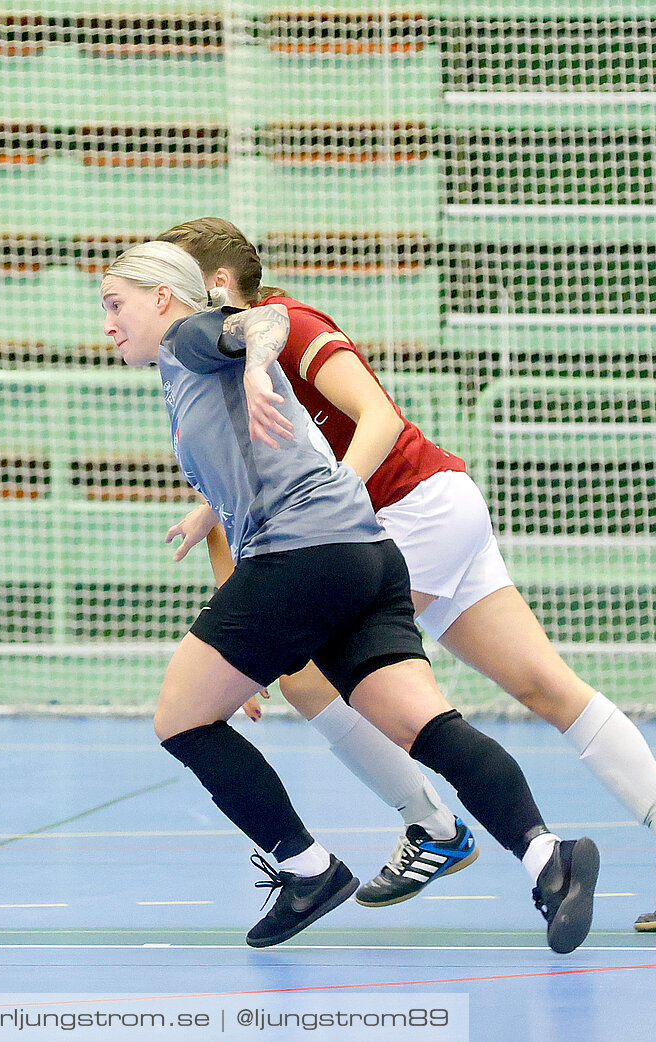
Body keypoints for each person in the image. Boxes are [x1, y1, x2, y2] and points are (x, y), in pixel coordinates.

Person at [159, 217, 656, 931]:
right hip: (421, 512)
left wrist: (332, 505)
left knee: (318, 680)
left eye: (172, 279)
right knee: (542, 684)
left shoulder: (291, 326)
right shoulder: (221, 358)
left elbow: (374, 415)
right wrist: (206, 512)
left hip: (409, 509)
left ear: (216, 285)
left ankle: (431, 827)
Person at [101, 239, 600, 952]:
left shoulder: (189, 335)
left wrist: (259, 361)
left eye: (115, 304)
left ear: (161, 296)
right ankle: (551, 859)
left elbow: (260, 324)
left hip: (303, 558)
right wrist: (209, 511)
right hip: (364, 554)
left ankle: (307, 870)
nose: (108, 323)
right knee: (423, 724)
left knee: (181, 718)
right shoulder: (185, 373)